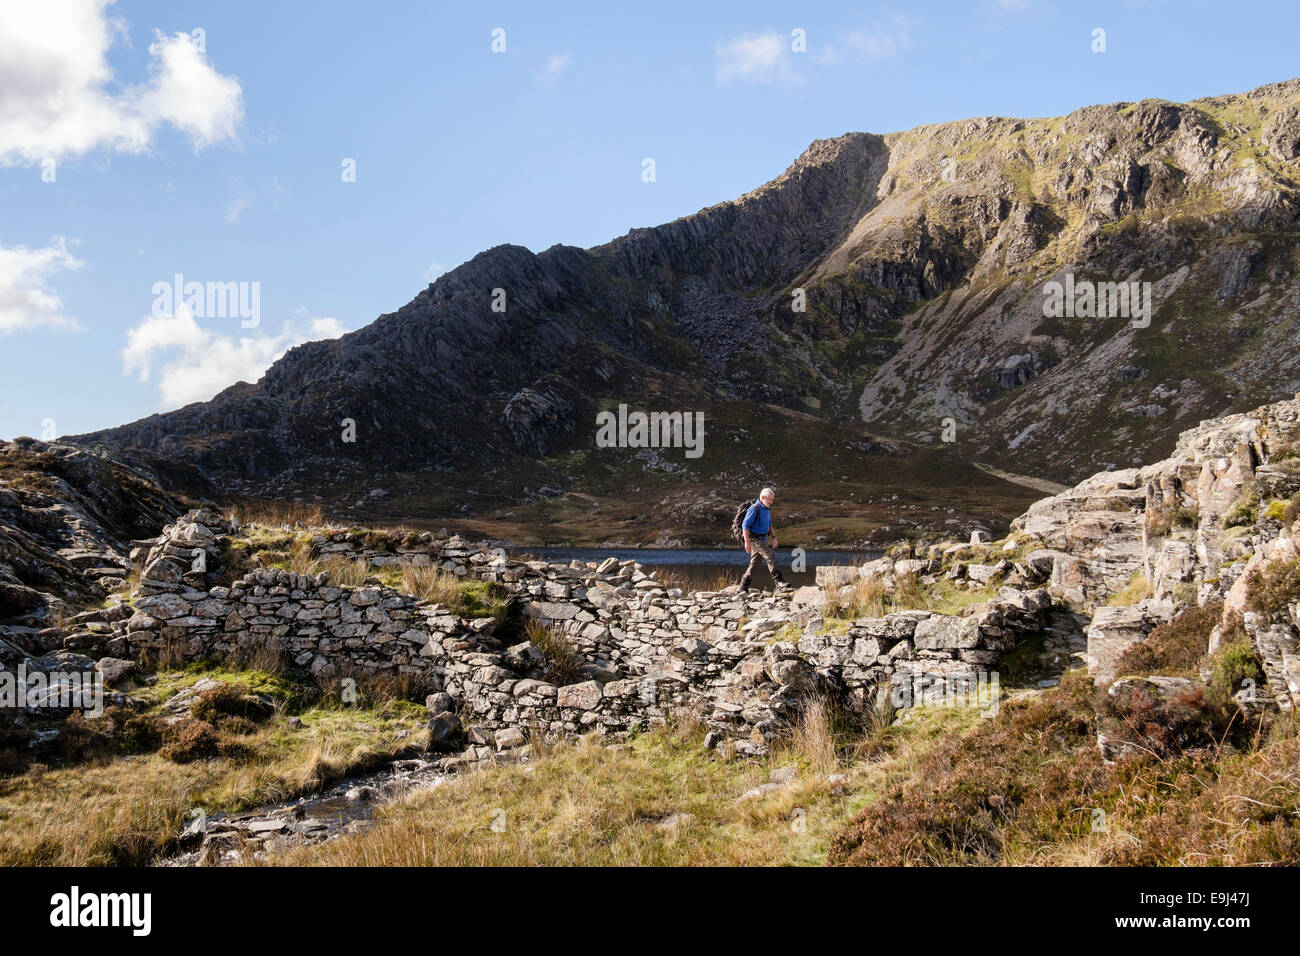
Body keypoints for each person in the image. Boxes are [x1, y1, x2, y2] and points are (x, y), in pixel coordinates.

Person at [739, 487, 790, 592]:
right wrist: (747, 542)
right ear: (763, 497)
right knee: (770, 555)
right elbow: (745, 525)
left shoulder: (766, 509)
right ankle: (779, 582)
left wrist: (773, 537)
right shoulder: (754, 509)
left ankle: (742, 586)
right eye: (770, 499)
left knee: (755, 565)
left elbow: (769, 524)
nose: (771, 502)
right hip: (753, 539)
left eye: (772, 500)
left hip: (762, 539)